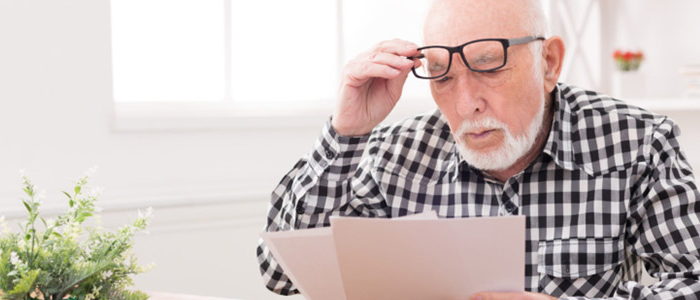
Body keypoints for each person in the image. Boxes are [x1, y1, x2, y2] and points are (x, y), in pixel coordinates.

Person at [257, 0, 700, 298]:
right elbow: (280, 276)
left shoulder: (639, 143)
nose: (466, 103)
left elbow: (690, 281)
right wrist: (346, 133)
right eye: (442, 76)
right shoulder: (396, 153)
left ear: (547, 63)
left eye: (488, 67)